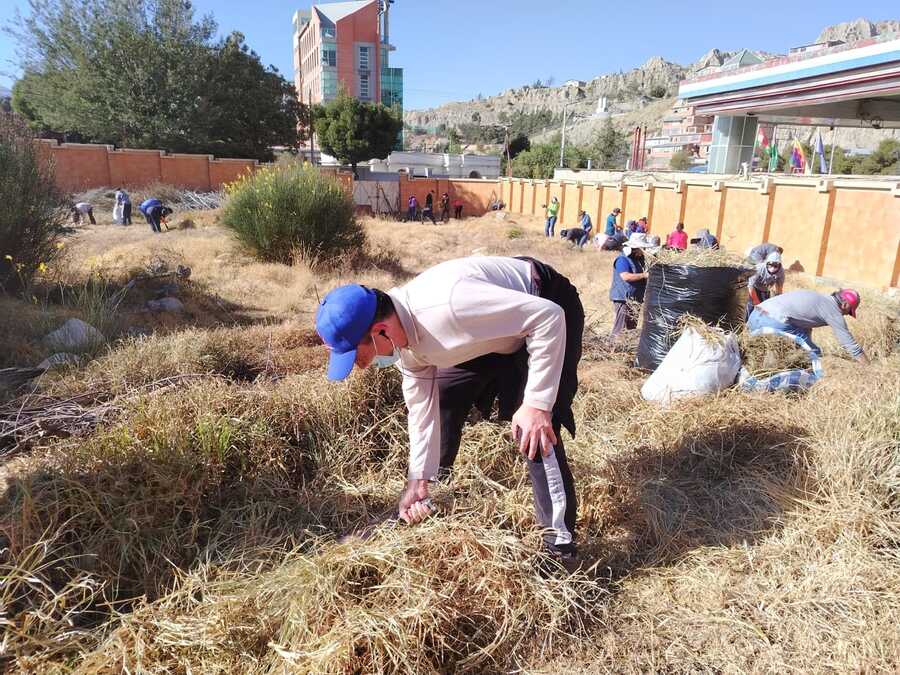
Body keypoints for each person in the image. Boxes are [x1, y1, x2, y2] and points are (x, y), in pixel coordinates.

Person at [316, 256, 584, 564]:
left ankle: (559, 547)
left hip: (544, 304)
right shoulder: (406, 342)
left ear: (381, 331)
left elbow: (548, 316)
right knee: (444, 393)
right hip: (494, 331)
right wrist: (418, 479)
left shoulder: (449, 308)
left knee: (533, 428)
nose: (361, 367)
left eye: (358, 357)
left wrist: (537, 403)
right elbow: (421, 409)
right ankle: (433, 486)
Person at [748, 289, 868, 363]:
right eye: (849, 312)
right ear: (845, 305)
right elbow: (850, 344)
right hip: (772, 322)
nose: (846, 315)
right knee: (815, 355)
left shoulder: (819, 298)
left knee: (802, 345)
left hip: (754, 317)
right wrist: (869, 368)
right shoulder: (834, 311)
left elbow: (804, 326)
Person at [609, 233, 654, 339]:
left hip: (635, 299)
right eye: (641, 248)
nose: (643, 251)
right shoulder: (622, 259)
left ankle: (624, 350)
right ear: (635, 248)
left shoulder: (638, 260)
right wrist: (644, 275)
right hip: (623, 298)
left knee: (631, 328)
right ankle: (613, 348)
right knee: (620, 328)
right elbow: (625, 276)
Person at [746, 251, 785, 317]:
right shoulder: (759, 268)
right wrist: (755, 301)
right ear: (767, 263)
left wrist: (778, 300)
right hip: (753, 288)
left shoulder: (781, 272)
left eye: (776, 266)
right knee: (751, 305)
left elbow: (779, 287)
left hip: (765, 289)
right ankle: (746, 321)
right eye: (770, 265)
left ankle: (758, 322)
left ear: (779, 265)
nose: (773, 268)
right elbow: (750, 286)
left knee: (764, 307)